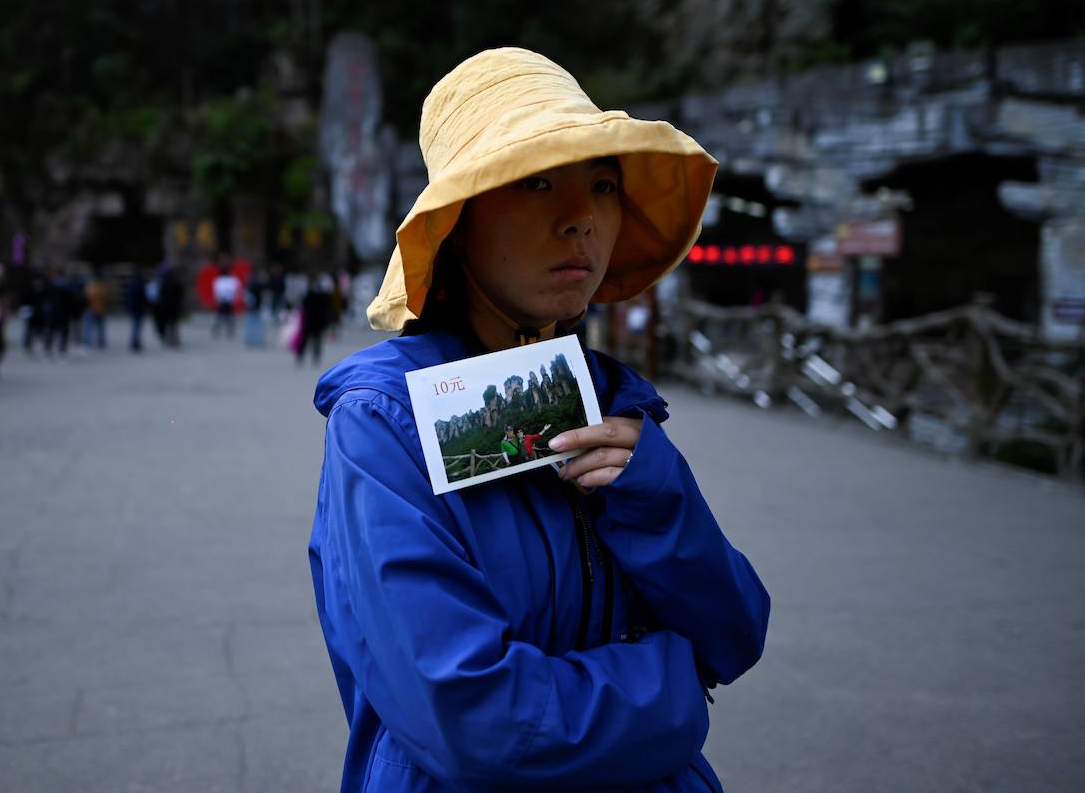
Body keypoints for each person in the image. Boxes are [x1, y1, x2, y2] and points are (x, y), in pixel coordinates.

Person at [308, 47, 769, 793]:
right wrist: (673, 690)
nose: (581, 218)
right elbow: (478, 727)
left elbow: (738, 632)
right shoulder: (386, 424)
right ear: (456, 221)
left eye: (603, 184)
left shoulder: (617, 404)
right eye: (536, 181)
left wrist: (657, 495)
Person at [296, 273, 332, 366]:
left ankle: (309, 357)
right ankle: (306, 357)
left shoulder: (312, 292)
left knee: (312, 340)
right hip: (312, 321)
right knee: (310, 340)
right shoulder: (317, 292)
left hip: (312, 321)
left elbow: (303, 305)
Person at [211, 256, 241, 338]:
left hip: (225, 299)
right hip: (225, 299)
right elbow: (235, 289)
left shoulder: (223, 280)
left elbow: (217, 290)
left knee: (226, 316)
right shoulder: (224, 280)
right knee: (223, 316)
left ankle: (227, 330)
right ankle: (224, 330)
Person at [83, 271, 109, 350]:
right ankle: (101, 342)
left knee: (88, 327)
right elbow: (106, 298)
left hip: (90, 309)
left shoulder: (90, 288)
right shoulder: (102, 288)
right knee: (100, 327)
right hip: (100, 309)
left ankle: (87, 342)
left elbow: (85, 298)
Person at [124, 267, 148, 352]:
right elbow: (143, 296)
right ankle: (135, 343)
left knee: (135, 326)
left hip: (134, 307)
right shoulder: (140, 284)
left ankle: (135, 342)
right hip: (138, 308)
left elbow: (127, 296)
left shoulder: (130, 283)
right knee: (136, 326)